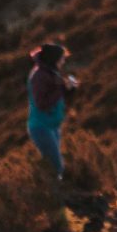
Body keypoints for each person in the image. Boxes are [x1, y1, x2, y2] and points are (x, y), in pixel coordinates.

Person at [26, 40, 78, 180]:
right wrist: (62, 89)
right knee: (56, 167)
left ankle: (48, 192)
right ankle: (51, 196)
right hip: (41, 127)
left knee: (52, 165)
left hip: (52, 125)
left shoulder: (50, 73)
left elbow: (56, 97)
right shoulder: (39, 76)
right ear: (53, 59)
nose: (63, 62)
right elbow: (42, 103)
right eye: (61, 59)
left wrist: (69, 90)